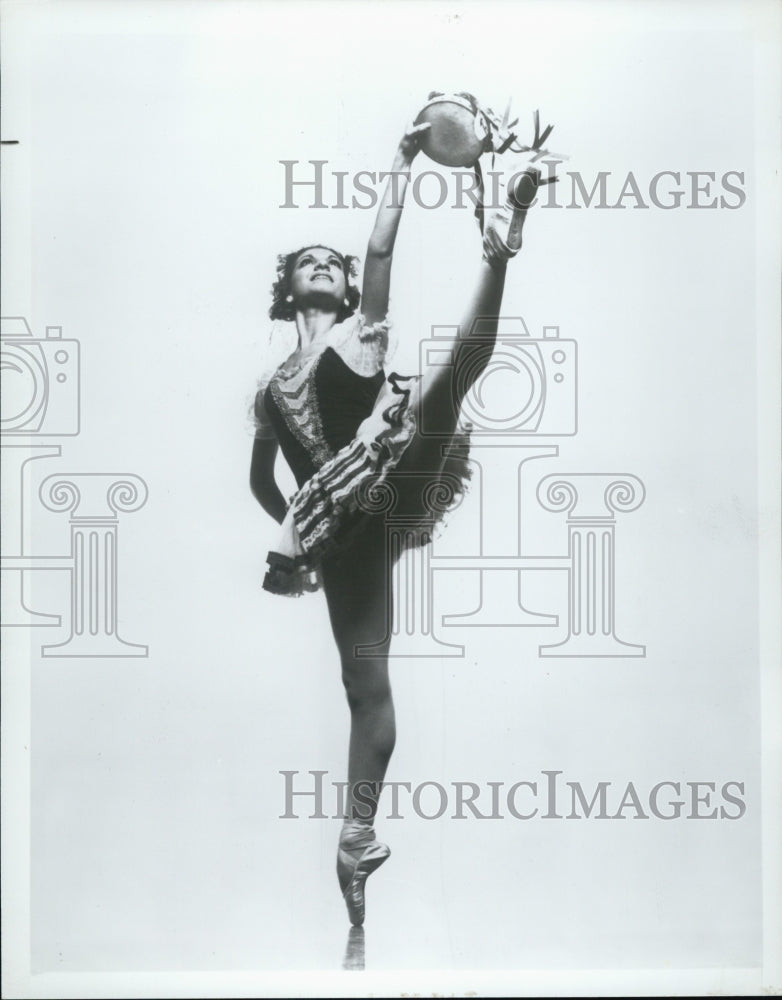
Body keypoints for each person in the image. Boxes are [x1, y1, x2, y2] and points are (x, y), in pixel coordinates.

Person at [250, 119, 544, 926]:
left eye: (334, 265)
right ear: (289, 289)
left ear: (346, 293)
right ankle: (357, 838)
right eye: (309, 260)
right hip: (343, 522)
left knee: (450, 381)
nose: (327, 265)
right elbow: (259, 481)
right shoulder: (270, 385)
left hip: (391, 468)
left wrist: (403, 157)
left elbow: (379, 250)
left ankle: (499, 244)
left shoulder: (361, 329)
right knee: (363, 682)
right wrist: (306, 530)